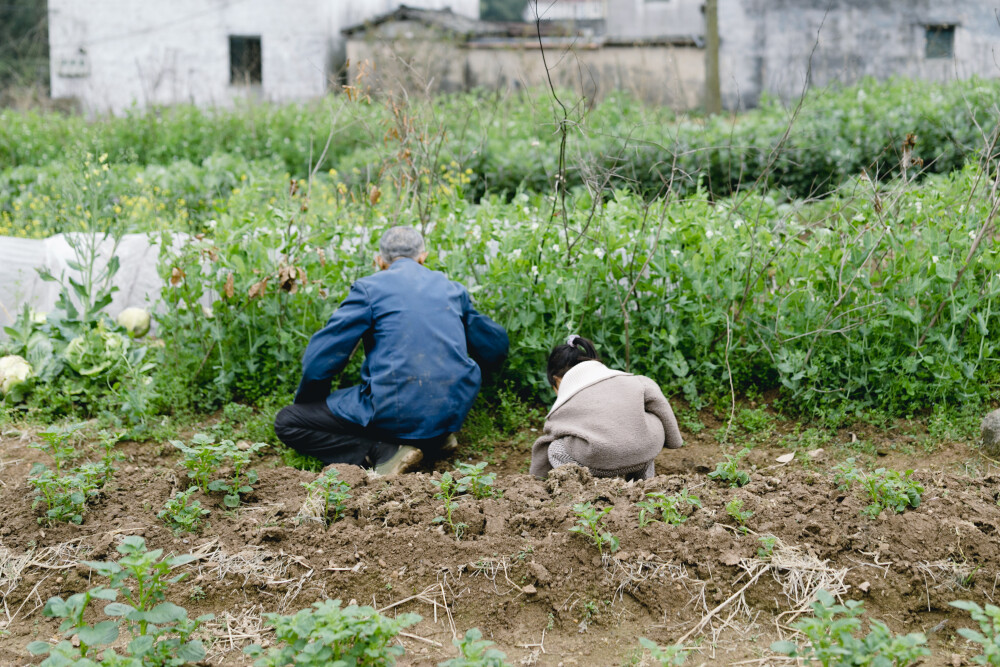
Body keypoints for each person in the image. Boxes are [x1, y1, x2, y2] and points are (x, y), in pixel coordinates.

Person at [274, 226, 509, 475]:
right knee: (413, 403)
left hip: (395, 413)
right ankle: (437, 438)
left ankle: (383, 452)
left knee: (289, 421)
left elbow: (321, 358)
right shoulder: (452, 289)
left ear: (380, 261)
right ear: (423, 257)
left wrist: (312, 403)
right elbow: (495, 347)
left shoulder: (369, 289)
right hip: (451, 411)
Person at [530, 335, 682, 480]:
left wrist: (536, 479)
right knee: (644, 429)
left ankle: (580, 491)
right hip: (641, 453)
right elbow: (659, 403)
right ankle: (644, 484)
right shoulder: (628, 379)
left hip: (599, 460)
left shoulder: (567, 399)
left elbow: (549, 438)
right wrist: (674, 440)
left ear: (557, 380)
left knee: (555, 448)